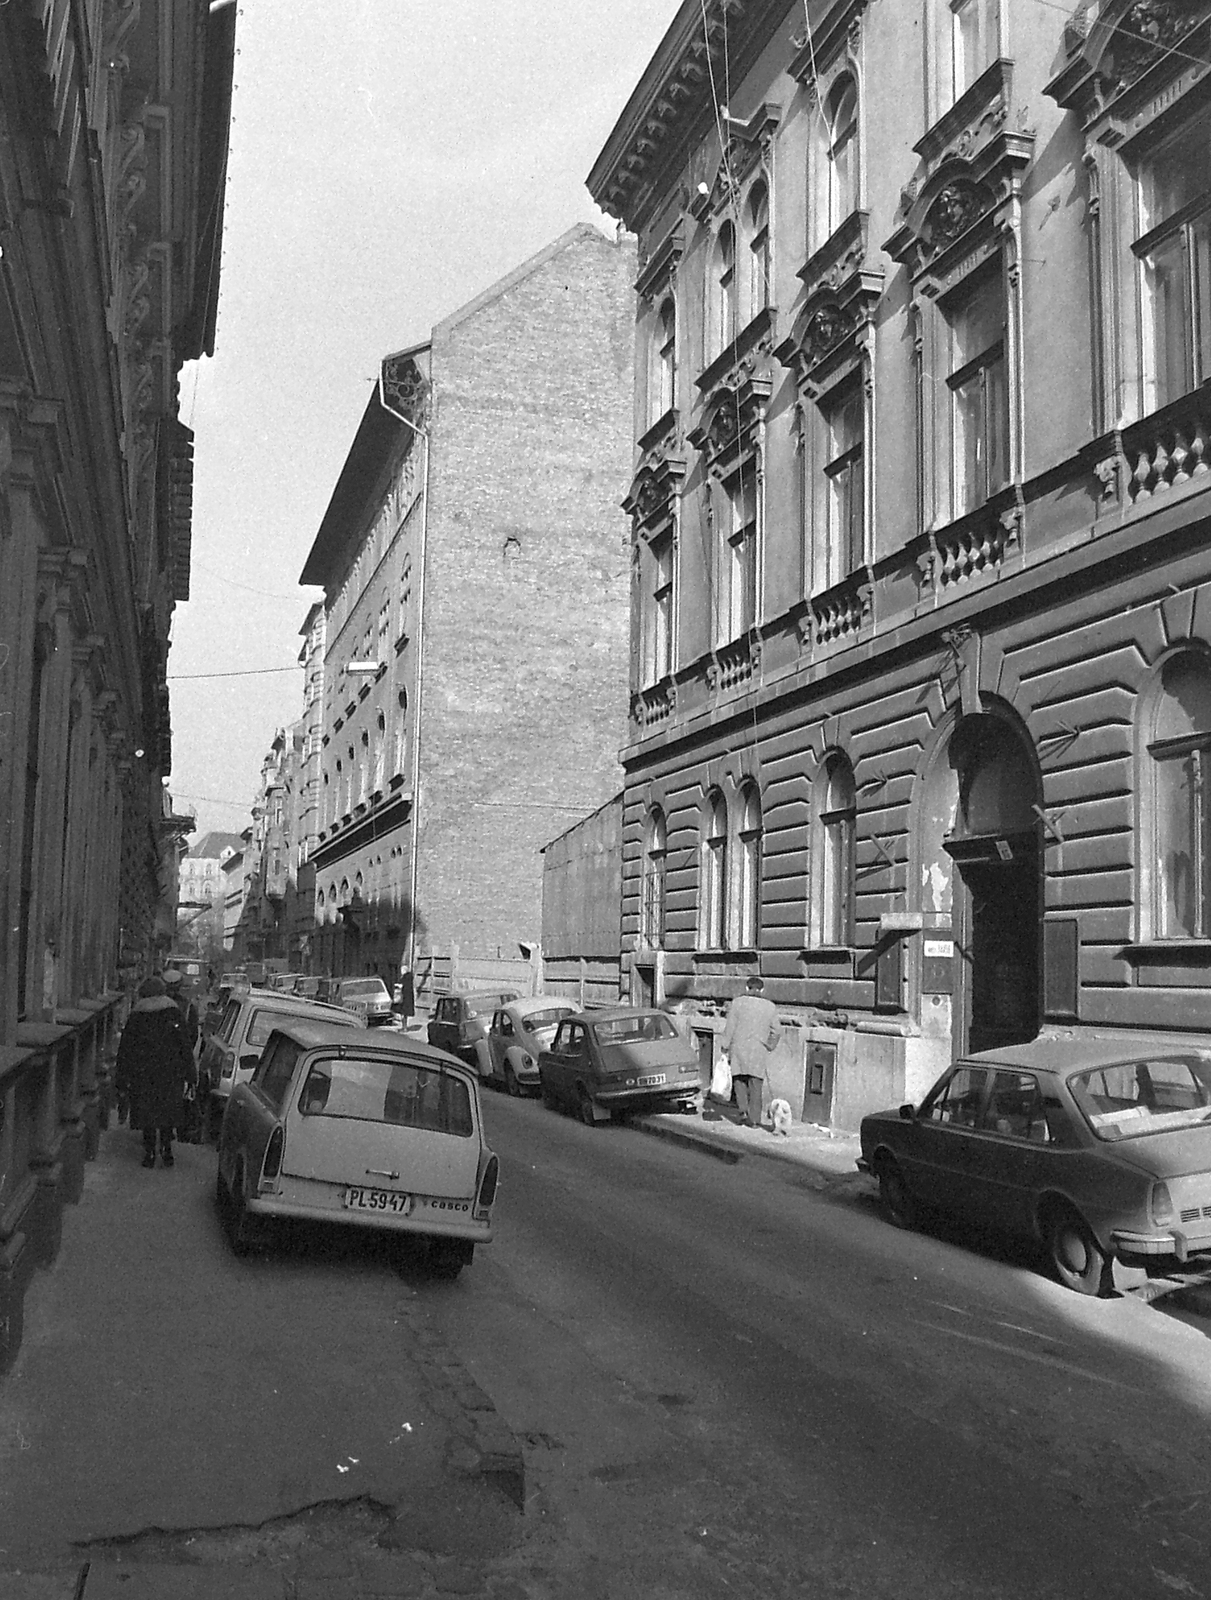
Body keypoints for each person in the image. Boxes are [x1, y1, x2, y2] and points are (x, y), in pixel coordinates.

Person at [114, 975, 198, 1168]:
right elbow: (184, 1045)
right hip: (171, 1071)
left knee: (147, 1112)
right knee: (168, 1111)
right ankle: (167, 1148)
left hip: (144, 1072)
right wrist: (190, 1075)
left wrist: (122, 1079)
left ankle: (150, 1152)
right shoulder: (174, 1013)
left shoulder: (137, 1015)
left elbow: (126, 1049)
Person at [719, 976, 781, 1129]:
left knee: (739, 1080)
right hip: (758, 1049)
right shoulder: (770, 1007)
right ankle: (754, 1120)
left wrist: (725, 1045)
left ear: (746, 988)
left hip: (738, 1048)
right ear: (762, 990)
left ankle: (743, 1111)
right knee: (756, 1084)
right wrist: (769, 1045)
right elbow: (777, 1031)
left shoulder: (737, 1003)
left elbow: (730, 1027)